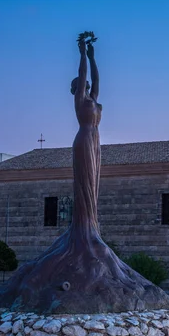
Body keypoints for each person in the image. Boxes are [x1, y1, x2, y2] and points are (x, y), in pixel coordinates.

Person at [70, 39, 101, 236]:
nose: (87, 85)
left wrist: (92, 57)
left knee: (93, 183)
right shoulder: (80, 99)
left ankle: (91, 227)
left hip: (95, 141)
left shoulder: (93, 99)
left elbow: (96, 80)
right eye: (82, 85)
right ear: (77, 89)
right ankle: (83, 231)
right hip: (83, 140)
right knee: (85, 183)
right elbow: (83, 76)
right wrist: (82, 55)